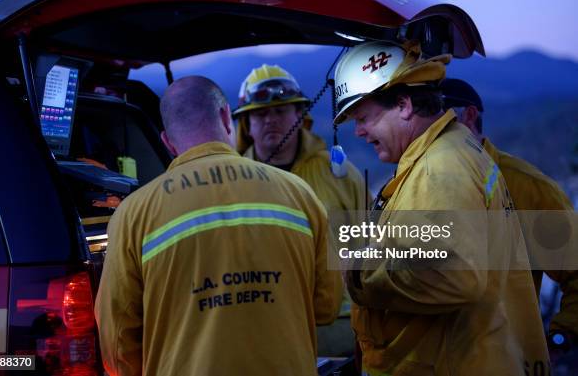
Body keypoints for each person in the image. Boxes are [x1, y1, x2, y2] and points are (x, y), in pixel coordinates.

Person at [95, 76, 342, 376]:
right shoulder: (299, 193)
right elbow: (327, 306)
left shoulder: (132, 216)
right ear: (227, 116)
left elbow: (117, 341)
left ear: (168, 142)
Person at [334, 40, 549, 375]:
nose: (359, 132)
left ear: (404, 105)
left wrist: (358, 271)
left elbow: (451, 274)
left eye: (363, 117)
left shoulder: (440, 168)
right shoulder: (453, 149)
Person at [232, 64, 369, 356]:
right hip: (262, 325)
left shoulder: (340, 174)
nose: (271, 120)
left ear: (299, 115)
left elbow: (373, 242)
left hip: (339, 329)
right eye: (260, 114)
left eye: (281, 111)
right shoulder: (231, 182)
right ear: (246, 124)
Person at [441, 77, 578, 357]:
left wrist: (559, 337)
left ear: (469, 116)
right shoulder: (416, 184)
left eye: (439, 117)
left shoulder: (527, 187)